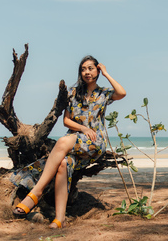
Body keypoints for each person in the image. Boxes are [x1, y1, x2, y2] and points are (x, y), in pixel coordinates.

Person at [10, 55, 126, 229]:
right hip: (76, 141)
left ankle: (36, 192)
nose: (87, 72)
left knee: (63, 141)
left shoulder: (103, 93)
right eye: (83, 69)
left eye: (91, 68)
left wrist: (107, 73)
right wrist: (83, 128)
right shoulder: (73, 92)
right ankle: (60, 218)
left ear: (97, 70)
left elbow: (122, 93)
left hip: (95, 143)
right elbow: (66, 121)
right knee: (63, 164)